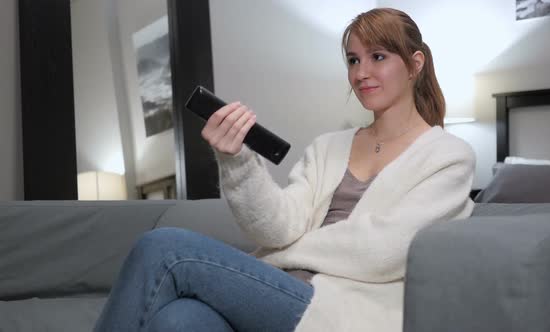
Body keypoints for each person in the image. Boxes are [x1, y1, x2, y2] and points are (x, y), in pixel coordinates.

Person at [94, 7, 475, 332]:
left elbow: (381, 252)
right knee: (178, 321)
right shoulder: (328, 147)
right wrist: (237, 160)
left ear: (415, 64)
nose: (361, 72)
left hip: (344, 314)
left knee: (162, 246)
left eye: (378, 57)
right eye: (353, 60)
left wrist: (280, 257)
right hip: (277, 293)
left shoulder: (448, 157)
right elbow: (279, 229)